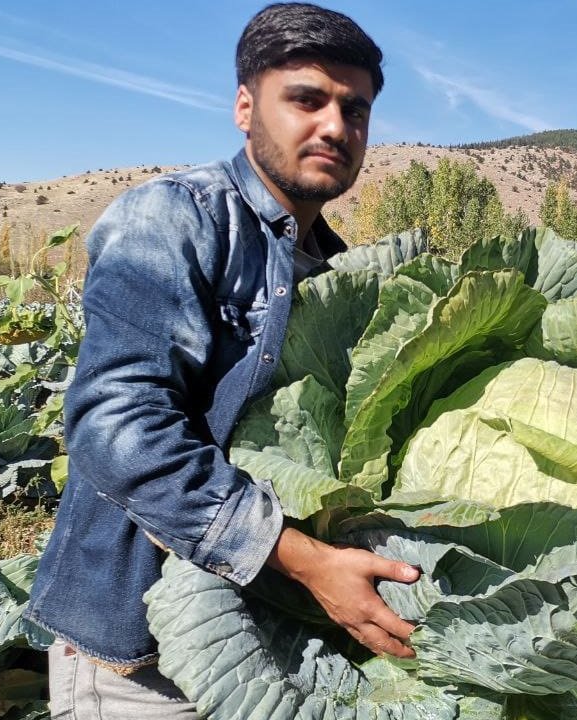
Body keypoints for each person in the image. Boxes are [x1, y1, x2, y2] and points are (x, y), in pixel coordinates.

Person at [26, 4, 419, 717]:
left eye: (354, 110)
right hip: (139, 656)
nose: (335, 126)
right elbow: (117, 426)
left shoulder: (342, 273)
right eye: (306, 99)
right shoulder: (175, 218)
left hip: (277, 639)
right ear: (245, 106)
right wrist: (306, 560)